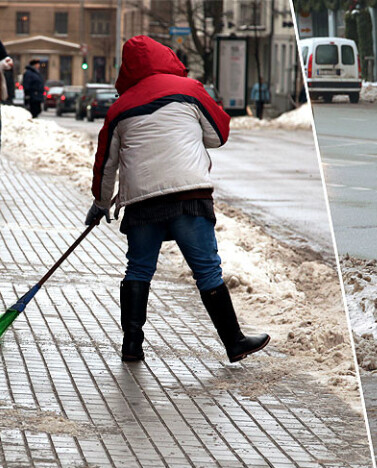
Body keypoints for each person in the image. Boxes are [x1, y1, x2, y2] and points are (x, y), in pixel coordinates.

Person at [86, 35, 270, 363]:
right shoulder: (190, 90)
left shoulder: (119, 107)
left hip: (142, 202)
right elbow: (218, 134)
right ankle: (234, 341)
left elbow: (106, 164)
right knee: (207, 270)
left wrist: (100, 205)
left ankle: (132, 344)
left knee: (139, 268)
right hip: (188, 196)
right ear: (165, 57)